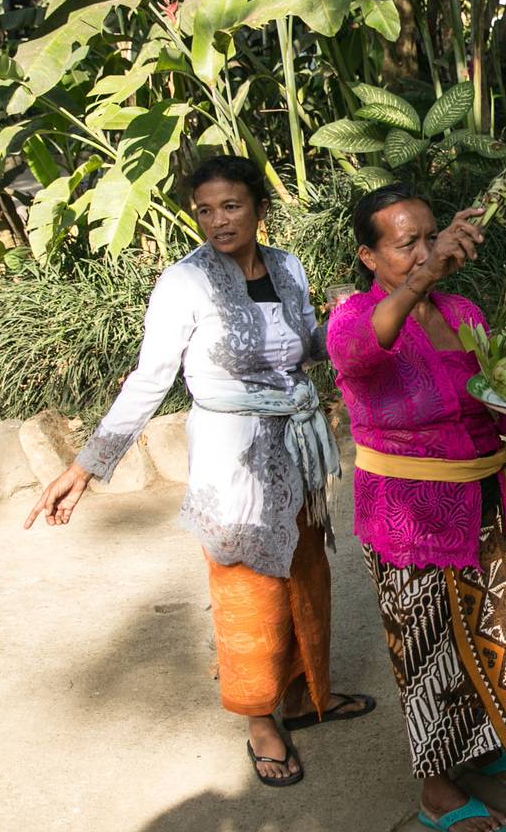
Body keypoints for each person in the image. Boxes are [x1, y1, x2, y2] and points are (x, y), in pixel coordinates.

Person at [24, 155, 372, 788]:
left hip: (296, 447)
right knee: (247, 591)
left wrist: (345, 315)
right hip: (231, 456)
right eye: (206, 210)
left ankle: (301, 697)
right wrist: (86, 466)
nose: (218, 221)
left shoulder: (288, 268)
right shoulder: (184, 283)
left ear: (258, 209)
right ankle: (260, 723)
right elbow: (151, 378)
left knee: (304, 573)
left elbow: (311, 349)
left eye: (231, 206)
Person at [326, 184, 506, 832]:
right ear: (369, 255)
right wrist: (421, 278)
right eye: (406, 243)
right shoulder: (353, 319)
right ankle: (436, 784)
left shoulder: (461, 309)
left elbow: (488, 394)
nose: (425, 251)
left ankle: (482, 743)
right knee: (426, 650)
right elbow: (361, 355)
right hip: (407, 510)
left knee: (487, 629)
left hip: (479, 495)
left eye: (431, 236)